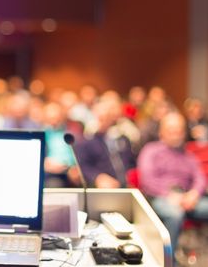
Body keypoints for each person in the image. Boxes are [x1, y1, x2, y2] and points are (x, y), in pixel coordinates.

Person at [138, 113, 208, 251]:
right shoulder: (151, 151)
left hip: (187, 198)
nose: (176, 134)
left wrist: (193, 194)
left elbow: (200, 178)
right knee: (174, 214)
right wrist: (170, 195)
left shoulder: (188, 155)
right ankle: (168, 261)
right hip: (160, 198)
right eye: (171, 130)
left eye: (179, 131)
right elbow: (147, 180)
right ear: (161, 132)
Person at [75, 101, 135, 188]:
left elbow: (131, 162)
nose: (103, 121)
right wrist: (98, 177)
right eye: (100, 118)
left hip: (125, 185)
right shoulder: (87, 142)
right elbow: (83, 166)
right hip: (103, 186)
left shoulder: (122, 138)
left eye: (107, 117)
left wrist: (132, 177)